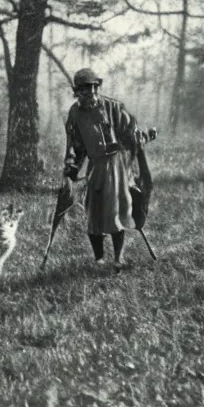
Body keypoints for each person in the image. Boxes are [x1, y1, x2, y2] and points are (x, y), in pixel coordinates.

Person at [63, 68, 155, 273]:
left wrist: (144, 137)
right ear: (77, 91)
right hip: (96, 167)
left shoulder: (112, 107)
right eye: (86, 89)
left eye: (95, 87)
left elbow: (130, 133)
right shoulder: (75, 113)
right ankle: (99, 260)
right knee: (94, 213)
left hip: (117, 167)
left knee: (116, 212)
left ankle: (118, 259)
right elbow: (76, 145)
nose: (92, 93)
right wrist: (72, 165)